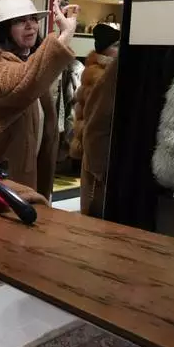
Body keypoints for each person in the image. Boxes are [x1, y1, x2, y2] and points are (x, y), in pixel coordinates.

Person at [0, 0, 79, 199]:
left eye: (33, 19)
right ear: (3, 29)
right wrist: (64, 36)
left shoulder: (26, 60)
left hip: (18, 174)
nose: (30, 26)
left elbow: (32, 76)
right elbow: (21, 83)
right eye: (20, 21)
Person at [69, 23, 120, 216]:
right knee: (94, 201)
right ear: (105, 49)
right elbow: (96, 117)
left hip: (92, 144)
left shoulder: (96, 70)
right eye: (115, 45)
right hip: (95, 148)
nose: (119, 49)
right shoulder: (102, 75)